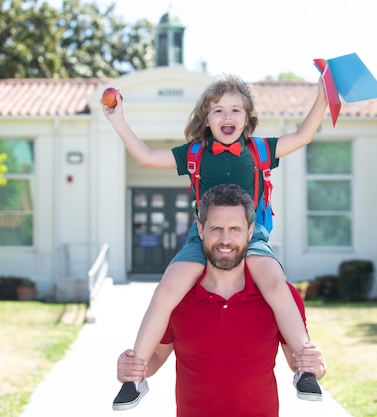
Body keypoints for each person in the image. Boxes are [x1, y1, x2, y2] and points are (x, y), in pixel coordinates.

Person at [102, 73, 328, 410]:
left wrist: (324, 93)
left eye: (236, 110)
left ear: (248, 118)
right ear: (206, 118)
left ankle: (304, 368)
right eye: (218, 110)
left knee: (276, 284)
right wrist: (117, 119)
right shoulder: (194, 153)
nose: (227, 117)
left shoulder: (261, 149)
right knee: (167, 288)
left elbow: (304, 134)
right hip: (202, 236)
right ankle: (135, 377)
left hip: (250, 237)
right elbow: (146, 157)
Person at [116, 184, 327, 417]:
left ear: (250, 232)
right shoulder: (178, 297)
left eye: (235, 229)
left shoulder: (278, 295)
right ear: (201, 230)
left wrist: (316, 365)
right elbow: (156, 357)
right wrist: (132, 368)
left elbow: (297, 360)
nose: (225, 239)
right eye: (216, 228)